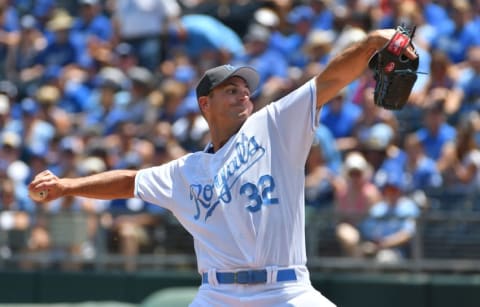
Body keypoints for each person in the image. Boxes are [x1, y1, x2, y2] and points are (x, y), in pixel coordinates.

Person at [29, 28, 417, 306]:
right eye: (230, 90)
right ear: (205, 104)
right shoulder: (186, 171)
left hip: (286, 291)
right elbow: (129, 182)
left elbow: (330, 80)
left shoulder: (274, 125)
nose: (243, 94)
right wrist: (68, 186)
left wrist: (370, 44)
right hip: (217, 295)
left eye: (245, 89)